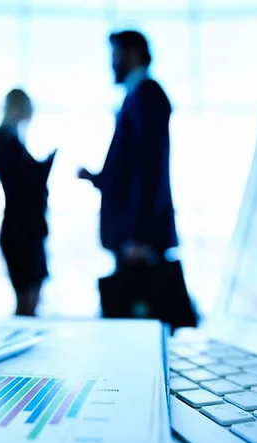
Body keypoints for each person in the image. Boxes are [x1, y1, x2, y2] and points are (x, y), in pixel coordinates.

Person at [79, 30, 178, 270]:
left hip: (139, 239)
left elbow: (150, 168)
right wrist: (98, 178)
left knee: (143, 302)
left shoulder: (147, 95)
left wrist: (140, 234)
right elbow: (131, 166)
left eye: (115, 55)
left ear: (132, 54)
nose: (112, 63)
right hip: (132, 233)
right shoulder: (136, 96)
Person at [0, 89, 56, 316]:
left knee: (29, 295)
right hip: (21, 231)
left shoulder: (9, 139)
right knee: (26, 298)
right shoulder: (4, 139)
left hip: (25, 229)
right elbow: (21, 181)